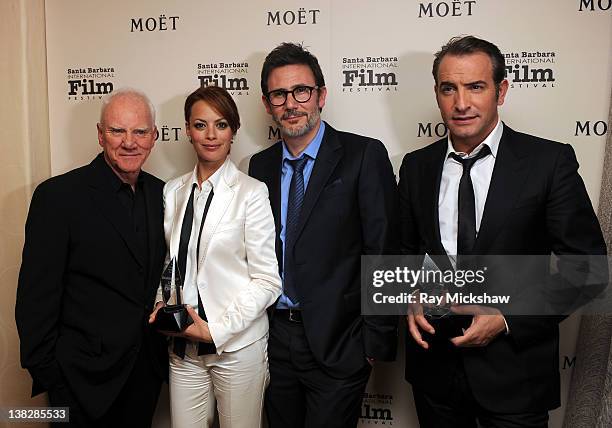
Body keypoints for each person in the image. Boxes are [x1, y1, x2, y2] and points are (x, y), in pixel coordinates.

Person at [398, 35, 607, 427]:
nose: (461, 103)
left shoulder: (549, 162)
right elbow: (404, 252)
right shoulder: (415, 166)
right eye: (449, 89)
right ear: (437, 93)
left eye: (476, 87)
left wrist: (508, 316)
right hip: (435, 378)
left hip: (517, 378)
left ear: (501, 90)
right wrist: (410, 293)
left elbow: (589, 269)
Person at [248, 42, 399, 428]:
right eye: (279, 94)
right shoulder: (260, 166)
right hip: (273, 340)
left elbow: (381, 249)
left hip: (339, 342)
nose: (291, 103)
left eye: (301, 91)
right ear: (268, 104)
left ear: (321, 95)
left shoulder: (363, 155)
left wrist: (372, 344)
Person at [15, 88, 168, 427]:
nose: (130, 142)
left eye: (140, 132)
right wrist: (54, 378)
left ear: (154, 137)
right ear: (100, 135)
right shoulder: (58, 197)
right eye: (118, 131)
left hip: (143, 376)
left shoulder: (163, 194)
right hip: (78, 380)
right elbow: (35, 300)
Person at [149, 85, 281, 428]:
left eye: (221, 125)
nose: (211, 135)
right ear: (187, 130)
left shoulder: (252, 193)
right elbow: (172, 263)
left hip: (235, 348)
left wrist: (215, 331)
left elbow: (268, 281)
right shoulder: (172, 191)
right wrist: (161, 305)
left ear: (233, 131)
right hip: (183, 350)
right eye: (200, 125)